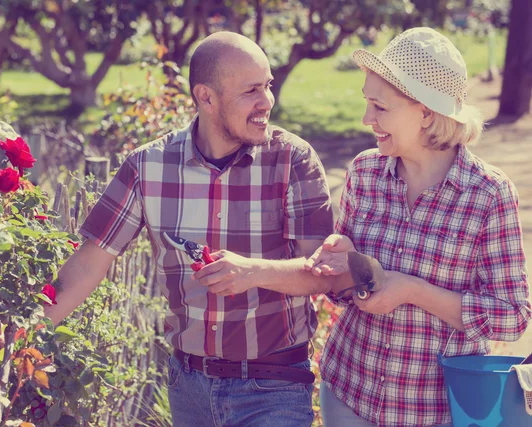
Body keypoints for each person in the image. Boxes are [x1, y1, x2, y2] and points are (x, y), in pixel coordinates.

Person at [45, 31, 345, 426]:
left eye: (268, 86)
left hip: (273, 388)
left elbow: (322, 272)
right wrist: (27, 328)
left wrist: (252, 271)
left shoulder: (293, 160)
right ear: (206, 97)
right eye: (251, 90)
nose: (267, 101)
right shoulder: (147, 167)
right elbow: (89, 262)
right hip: (188, 389)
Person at [299, 27, 531, 426]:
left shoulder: (488, 195)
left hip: (435, 411)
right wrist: (342, 266)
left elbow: (513, 315)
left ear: (426, 112)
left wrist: (412, 291)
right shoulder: (364, 172)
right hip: (347, 394)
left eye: (380, 107)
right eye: (367, 103)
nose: (366, 118)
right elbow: (345, 292)